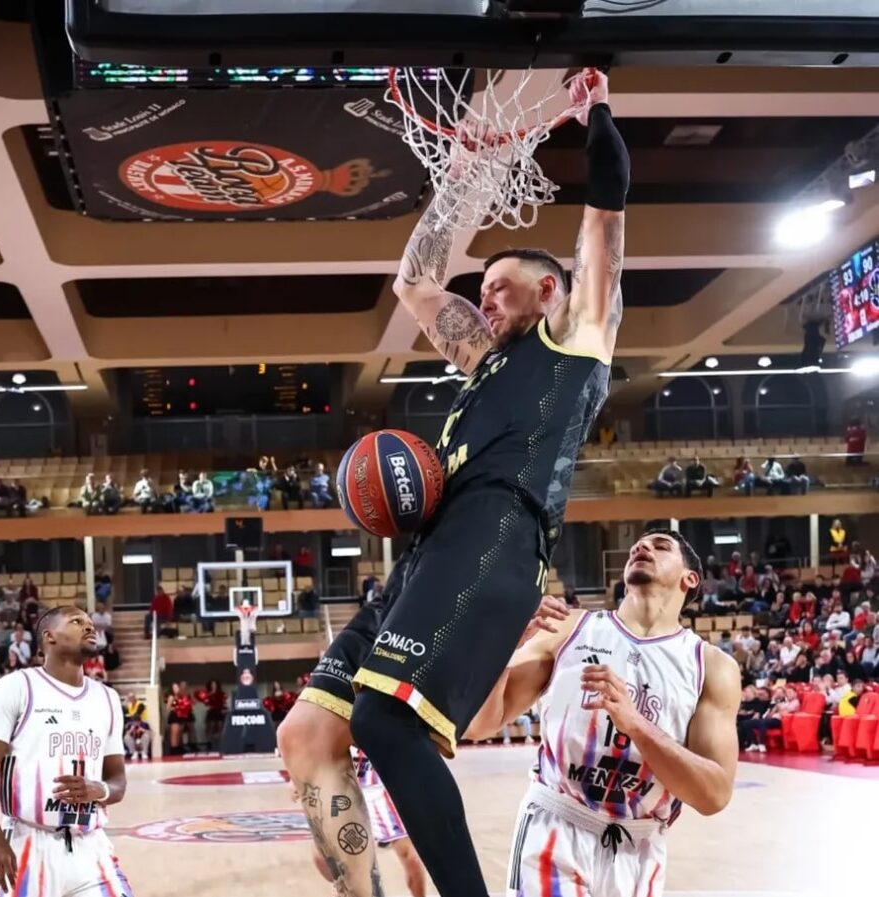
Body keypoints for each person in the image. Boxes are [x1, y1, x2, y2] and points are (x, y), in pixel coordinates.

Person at [279, 68, 627, 897]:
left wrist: (596, 114)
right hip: (430, 556)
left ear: (548, 290)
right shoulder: (483, 361)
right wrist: (466, 174)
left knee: (385, 721)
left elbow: (607, 214)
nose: (481, 299)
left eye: (497, 286)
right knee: (307, 734)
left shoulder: (577, 334)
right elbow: (415, 283)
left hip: (497, 535)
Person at [466, 530, 739, 897]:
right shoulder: (568, 627)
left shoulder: (711, 666)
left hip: (639, 844)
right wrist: (501, 649)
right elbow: (481, 724)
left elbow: (714, 795)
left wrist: (635, 724)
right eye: (638, 545)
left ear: (690, 579)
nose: (642, 547)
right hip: (556, 826)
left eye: (660, 546)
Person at [0, 606, 131, 897]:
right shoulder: (16, 687)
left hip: (90, 846)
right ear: (49, 637)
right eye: (77, 621)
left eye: (91, 623)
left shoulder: (108, 698)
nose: (89, 627)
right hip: (28, 843)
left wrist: (99, 790)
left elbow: (118, 782)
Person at [297, 749, 429, 897]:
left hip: (380, 790)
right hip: (344, 790)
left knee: (411, 858)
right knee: (322, 856)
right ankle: (344, 888)